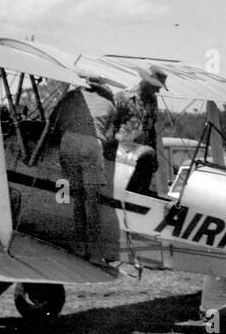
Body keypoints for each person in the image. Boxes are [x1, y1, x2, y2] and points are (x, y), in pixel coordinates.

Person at [51, 76, 119, 260]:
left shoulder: (71, 96)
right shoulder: (109, 105)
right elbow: (111, 136)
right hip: (92, 144)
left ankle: (79, 246)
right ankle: (94, 251)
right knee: (92, 201)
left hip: (69, 141)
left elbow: (54, 122)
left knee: (76, 198)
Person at [116, 65, 168, 195]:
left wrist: (154, 155)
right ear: (147, 82)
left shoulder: (152, 101)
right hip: (123, 158)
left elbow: (151, 131)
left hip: (143, 157)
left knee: (141, 194)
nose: (158, 91)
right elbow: (111, 126)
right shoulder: (123, 97)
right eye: (156, 86)